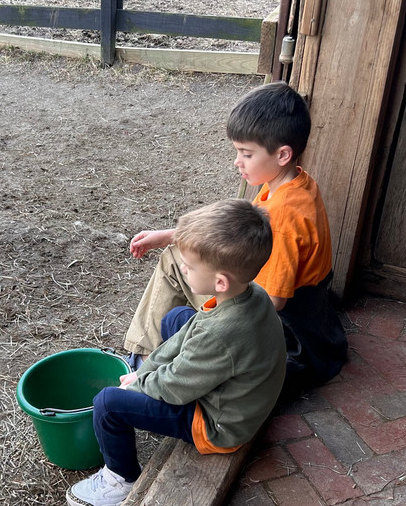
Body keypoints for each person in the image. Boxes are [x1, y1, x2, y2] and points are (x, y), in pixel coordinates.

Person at [123, 81, 348, 396]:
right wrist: (173, 235)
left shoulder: (283, 216)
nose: (237, 162)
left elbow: (272, 301)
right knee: (177, 254)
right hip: (308, 325)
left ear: (282, 154)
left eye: (246, 153)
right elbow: (235, 239)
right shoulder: (292, 184)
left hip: (284, 338)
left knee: (176, 264)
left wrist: (214, 305)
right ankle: (144, 356)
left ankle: (141, 361)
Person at [66, 199, 286, 506]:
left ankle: (120, 479)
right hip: (240, 395)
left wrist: (140, 385)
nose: (181, 267)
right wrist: (145, 372)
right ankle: (141, 383)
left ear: (220, 281)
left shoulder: (220, 334)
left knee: (107, 404)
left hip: (218, 426)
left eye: (189, 266)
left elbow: (173, 388)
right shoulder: (252, 294)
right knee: (177, 317)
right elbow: (188, 331)